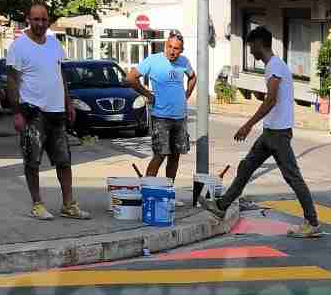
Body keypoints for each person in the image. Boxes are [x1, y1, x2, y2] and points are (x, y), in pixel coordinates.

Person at [206, 26, 321, 237]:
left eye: (251, 47)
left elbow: (270, 99)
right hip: (271, 132)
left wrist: (248, 124)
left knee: (292, 177)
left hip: (277, 134)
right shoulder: (274, 66)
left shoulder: (274, 66)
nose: (250, 52)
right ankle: (222, 205)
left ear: (260, 44)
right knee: (246, 166)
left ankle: (312, 221)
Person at [3, 4, 90, 220]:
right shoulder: (19, 46)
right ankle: (37, 204)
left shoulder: (54, 43)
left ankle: (68, 204)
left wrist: (68, 103)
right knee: (33, 160)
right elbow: (12, 80)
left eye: (44, 19)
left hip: (57, 111)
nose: (40, 24)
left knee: (64, 160)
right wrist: (17, 113)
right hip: (33, 112)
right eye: (36, 19)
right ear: (28, 20)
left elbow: (60, 75)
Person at [127, 32, 196, 182]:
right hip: (161, 117)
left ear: (181, 50)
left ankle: (168, 191)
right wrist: (148, 95)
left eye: (176, 48)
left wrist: (186, 95)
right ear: (165, 46)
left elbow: (192, 77)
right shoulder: (153, 60)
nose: (172, 51)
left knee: (175, 156)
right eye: (170, 47)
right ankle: (149, 190)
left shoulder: (184, 61)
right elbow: (131, 78)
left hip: (180, 116)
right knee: (160, 154)